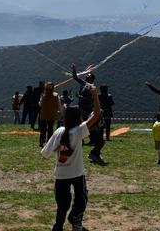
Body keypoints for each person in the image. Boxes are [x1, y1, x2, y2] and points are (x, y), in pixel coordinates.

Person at [40, 84, 101, 231]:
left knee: (62, 205)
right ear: (78, 118)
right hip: (77, 173)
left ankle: (58, 227)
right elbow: (97, 113)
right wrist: (94, 94)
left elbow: (45, 154)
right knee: (81, 199)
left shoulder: (59, 131)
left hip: (61, 175)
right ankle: (75, 222)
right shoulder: (79, 131)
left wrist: (59, 149)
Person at [72, 65, 104, 163]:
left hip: (88, 109)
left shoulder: (91, 87)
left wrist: (80, 97)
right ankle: (82, 140)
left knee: (87, 125)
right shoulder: (84, 84)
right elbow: (75, 78)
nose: (86, 78)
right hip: (81, 108)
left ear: (91, 79)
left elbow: (91, 99)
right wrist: (74, 70)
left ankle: (89, 140)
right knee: (81, 124)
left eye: (88, 77)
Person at [38, 82, 60, 148]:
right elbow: (58, 105)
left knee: (43, 129)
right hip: (52, 115)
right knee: (50, 129)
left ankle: (42, 141)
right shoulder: (56, 95)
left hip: (44, 114)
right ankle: (49, 142)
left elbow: (40, 104)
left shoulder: (43, 95)